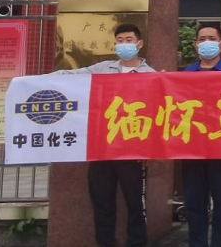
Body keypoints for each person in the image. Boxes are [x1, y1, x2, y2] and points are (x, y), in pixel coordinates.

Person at [55, 23, 154, 247]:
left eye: (129, 40)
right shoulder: (102, 69)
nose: (124, 44)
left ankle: (137, 243)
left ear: (139, 43)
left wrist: (149, 149)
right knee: (102, 203)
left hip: (132, 151)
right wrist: (38, 80)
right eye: (120, 40)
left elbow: (155, 114)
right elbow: (72, 76)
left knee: (135, 204)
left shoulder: (151, 75)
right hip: (102, 149)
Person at [182, 23, 221, 247]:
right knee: (194, 202)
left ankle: (219, 243)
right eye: (202, 39)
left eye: (211, 38)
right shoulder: (185, 74)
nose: (206, 42)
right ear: (196, 44)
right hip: (192, 148)